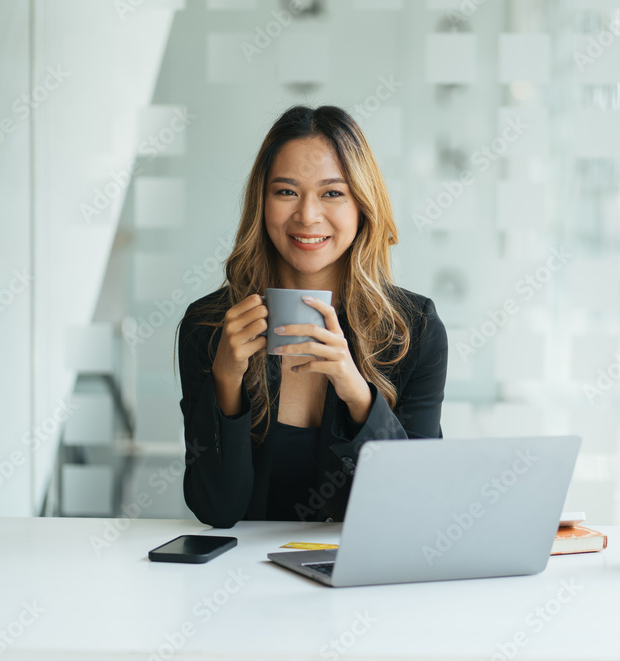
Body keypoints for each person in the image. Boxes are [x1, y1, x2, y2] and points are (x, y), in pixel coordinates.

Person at [175, 105, 447, 528]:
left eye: (332, 193)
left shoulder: (414, 329)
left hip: (361, 581)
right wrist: (226, 380)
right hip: (242, 585)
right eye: (285, 192)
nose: (307, 215)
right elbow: (217, 509)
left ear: (362, 204)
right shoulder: (209, 327)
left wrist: (357, 394)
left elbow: (415, 504)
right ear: (261, 203)